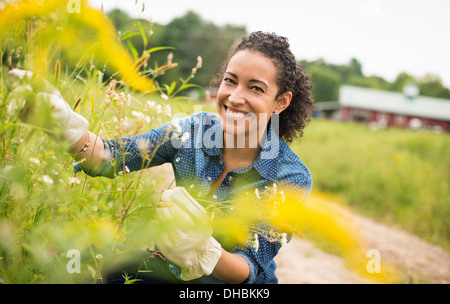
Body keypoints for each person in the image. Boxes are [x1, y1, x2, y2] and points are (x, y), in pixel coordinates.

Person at [8, 31, 315, 284]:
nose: (234, 97)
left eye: (256, 88)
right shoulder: (192, 131)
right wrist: (61, 125)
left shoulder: (290, 177)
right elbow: (111, 156)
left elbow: (248, 268)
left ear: (281, 101)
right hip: (167, 271)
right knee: (77, 256)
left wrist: (204, 252)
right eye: (230, 81)